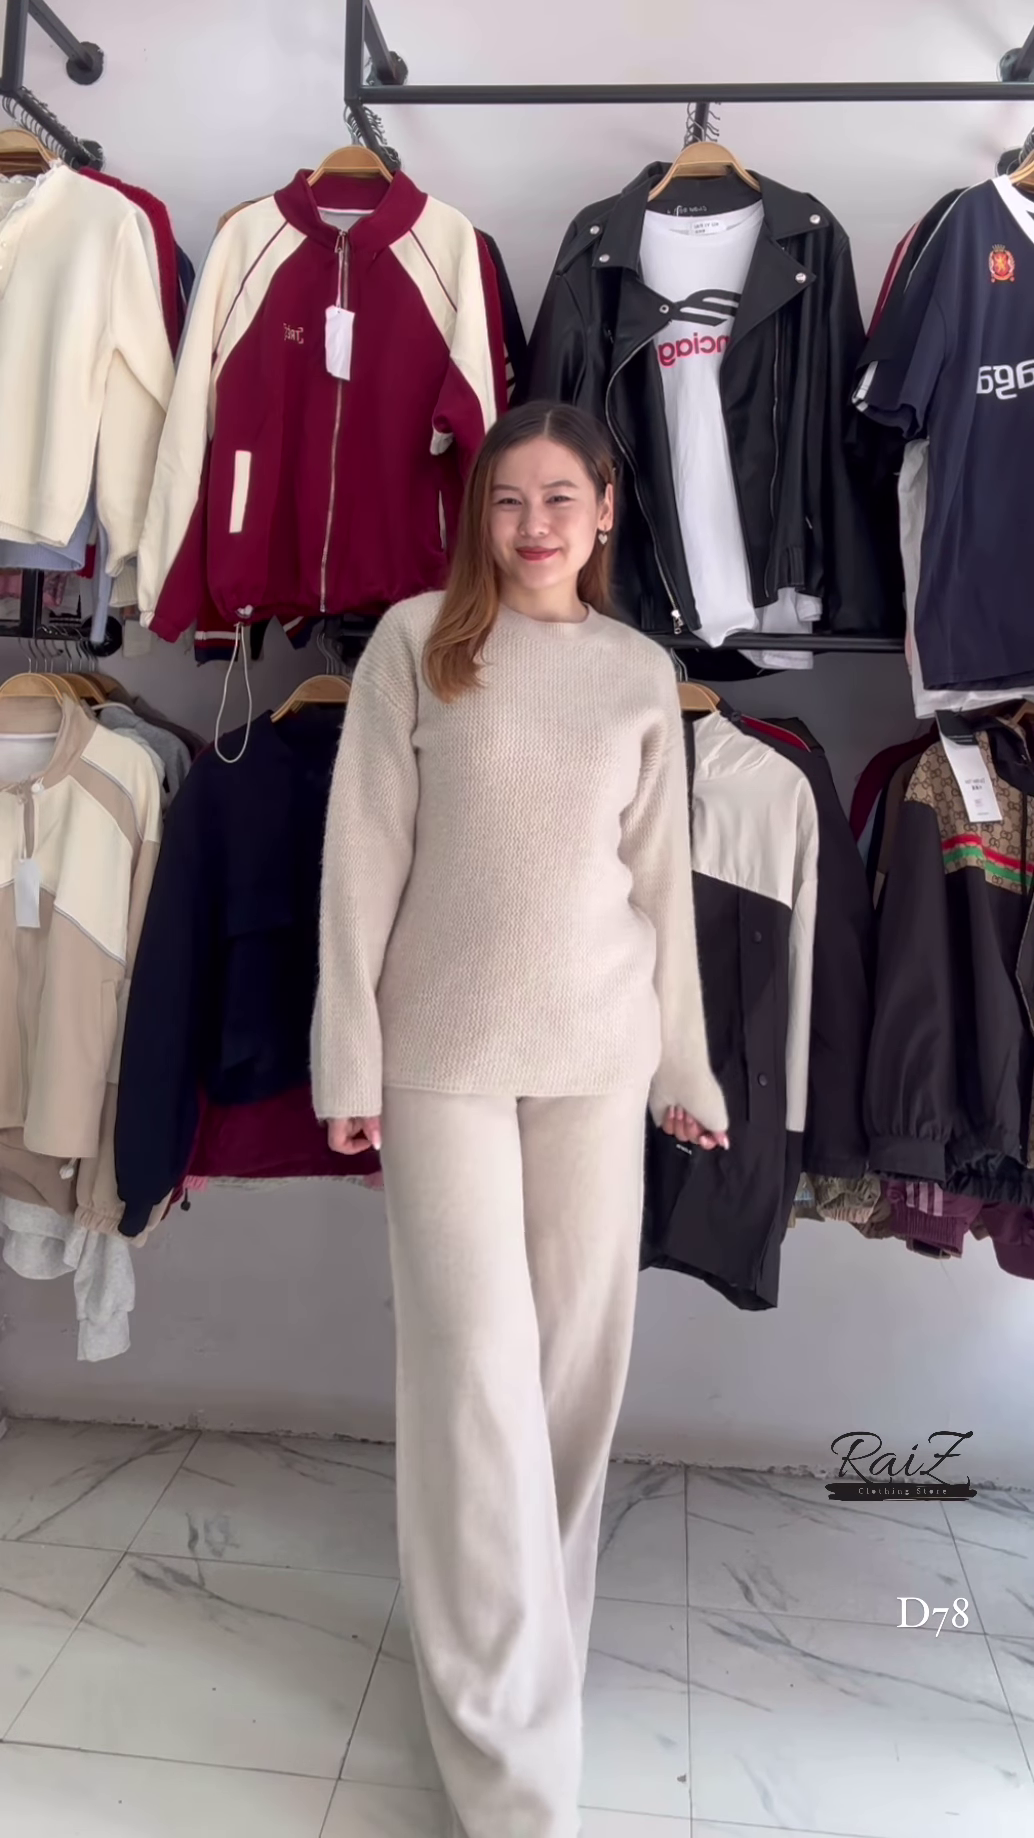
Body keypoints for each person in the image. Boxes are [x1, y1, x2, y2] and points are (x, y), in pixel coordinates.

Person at [312, 400, 728, 1837]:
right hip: (442, 1057)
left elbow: (662, 890)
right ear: (477, 515)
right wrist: (348, 1060)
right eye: (507, 499)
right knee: (473, 1376)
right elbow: (360, 862)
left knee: (570, 1379)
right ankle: (505, 1753)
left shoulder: (638, 672)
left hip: (598, 1056)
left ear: (605, 512)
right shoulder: (416, 644)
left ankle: (526, 1660)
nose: (533, 524)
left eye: (560, 498)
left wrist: (686, 1067)